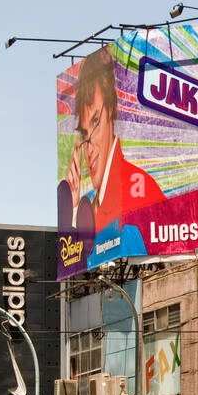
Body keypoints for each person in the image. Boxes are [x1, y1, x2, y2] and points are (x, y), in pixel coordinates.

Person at [58, 47, 166, 253]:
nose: (90, 144)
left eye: (96, 121)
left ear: (111, 113)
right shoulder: (93, 204)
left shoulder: (137, 189)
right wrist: (72, 211)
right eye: (84, 132)